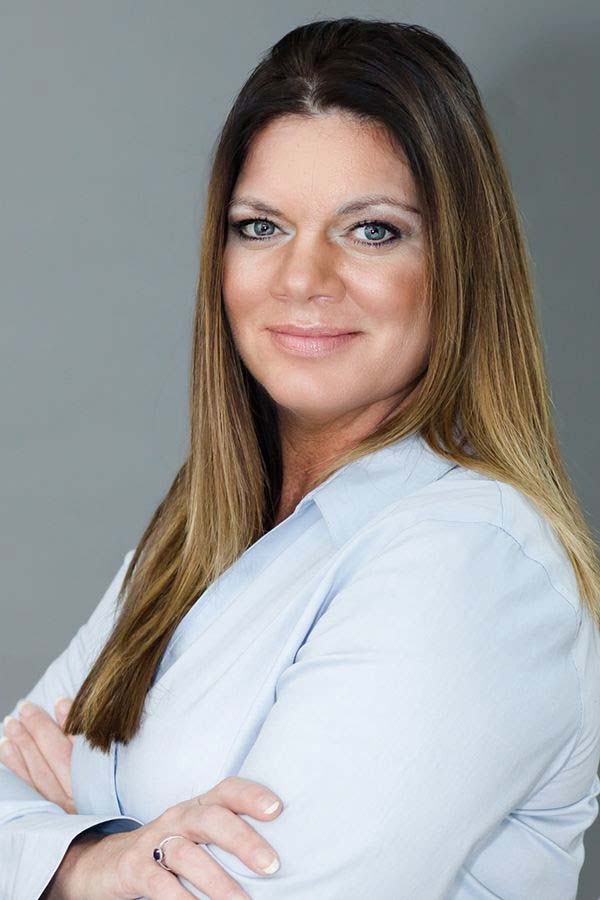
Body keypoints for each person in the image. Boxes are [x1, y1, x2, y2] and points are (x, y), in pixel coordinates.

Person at [1, 16, 599, 899]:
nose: (302, 279)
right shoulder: (199, 530)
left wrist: (58, 836)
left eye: (372, 231)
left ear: (461, 263)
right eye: (261, 227)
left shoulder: (472, 559)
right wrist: (95, 863)